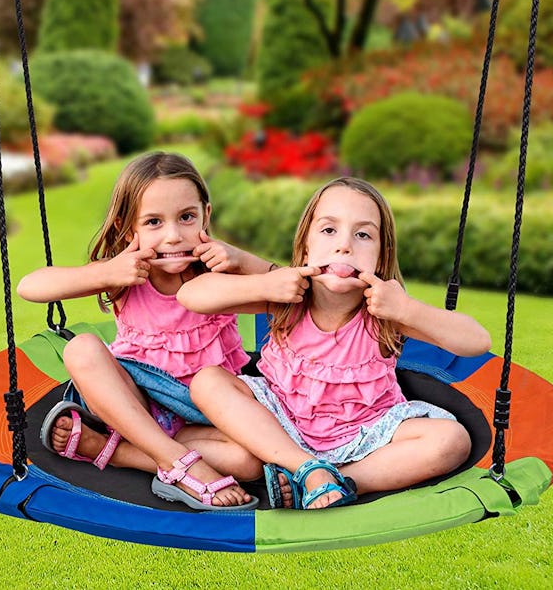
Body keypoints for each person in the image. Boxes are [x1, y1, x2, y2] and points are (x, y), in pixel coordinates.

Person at [178, 177, 492, 510]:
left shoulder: (385, 311)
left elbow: (475, 341)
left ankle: (343, 481)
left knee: (451, 441)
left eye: (363, 235)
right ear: (306, 246)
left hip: (367, 433)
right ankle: (304, 467)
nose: (345, 246)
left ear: (381, 257)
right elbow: (192, 295)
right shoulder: (288, 295)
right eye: (329, 231)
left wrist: (407, 309)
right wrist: (265, 285)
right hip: (280, 423)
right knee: (209, 381)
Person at [16, 151, 271, 511]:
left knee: (249, 462)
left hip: (202, 412)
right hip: (131, 403)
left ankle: (119, 452)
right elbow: (30, 287)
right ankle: (177, 461)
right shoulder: (127, 273)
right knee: (81, 349)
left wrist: (244, 261)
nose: (173, 236)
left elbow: (292, 293)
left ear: (206, 215)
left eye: (186, 217)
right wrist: (105, 274)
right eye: (153, 222)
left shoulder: (219, 275)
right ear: (127, 227)